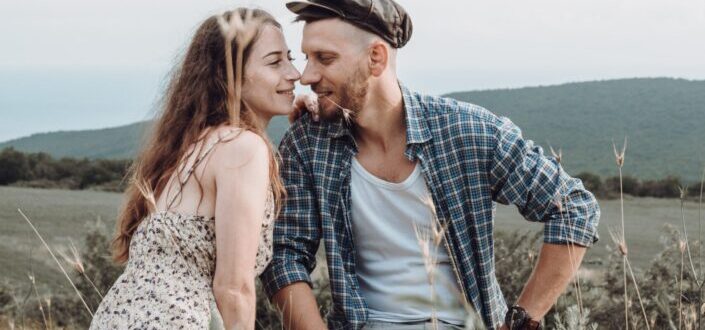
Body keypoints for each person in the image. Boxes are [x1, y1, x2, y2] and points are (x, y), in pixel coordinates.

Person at [260, 1, 600, 329]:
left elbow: (573, 207)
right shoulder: (308, 142)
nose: (306, 76)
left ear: (375, 58)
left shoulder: (468, 131)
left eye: (325, 58)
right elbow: (285, 253)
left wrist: (523, 321)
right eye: (307, 58)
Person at [90, 8, 301, 329]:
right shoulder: (242, 148)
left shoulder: (185, 149)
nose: (294, 74)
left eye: (290, 58)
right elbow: (233, 288)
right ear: (228, 76)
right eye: (274, 62)